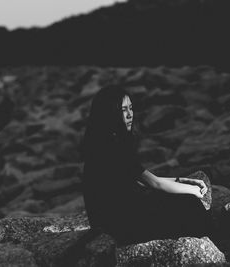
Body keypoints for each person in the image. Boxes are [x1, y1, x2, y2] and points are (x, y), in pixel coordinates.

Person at [81, 85, 215, 245]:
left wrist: (183, 180)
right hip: (118, 225)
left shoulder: (102, 141)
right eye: (123, 110)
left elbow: (140, 178)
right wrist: (193, 191)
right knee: (188, 203)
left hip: (109, 220)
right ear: (110, 112)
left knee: (179, 202)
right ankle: (212, 245)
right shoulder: (111, 145)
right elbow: (154, 183)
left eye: (131, 108)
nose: (130, 114)